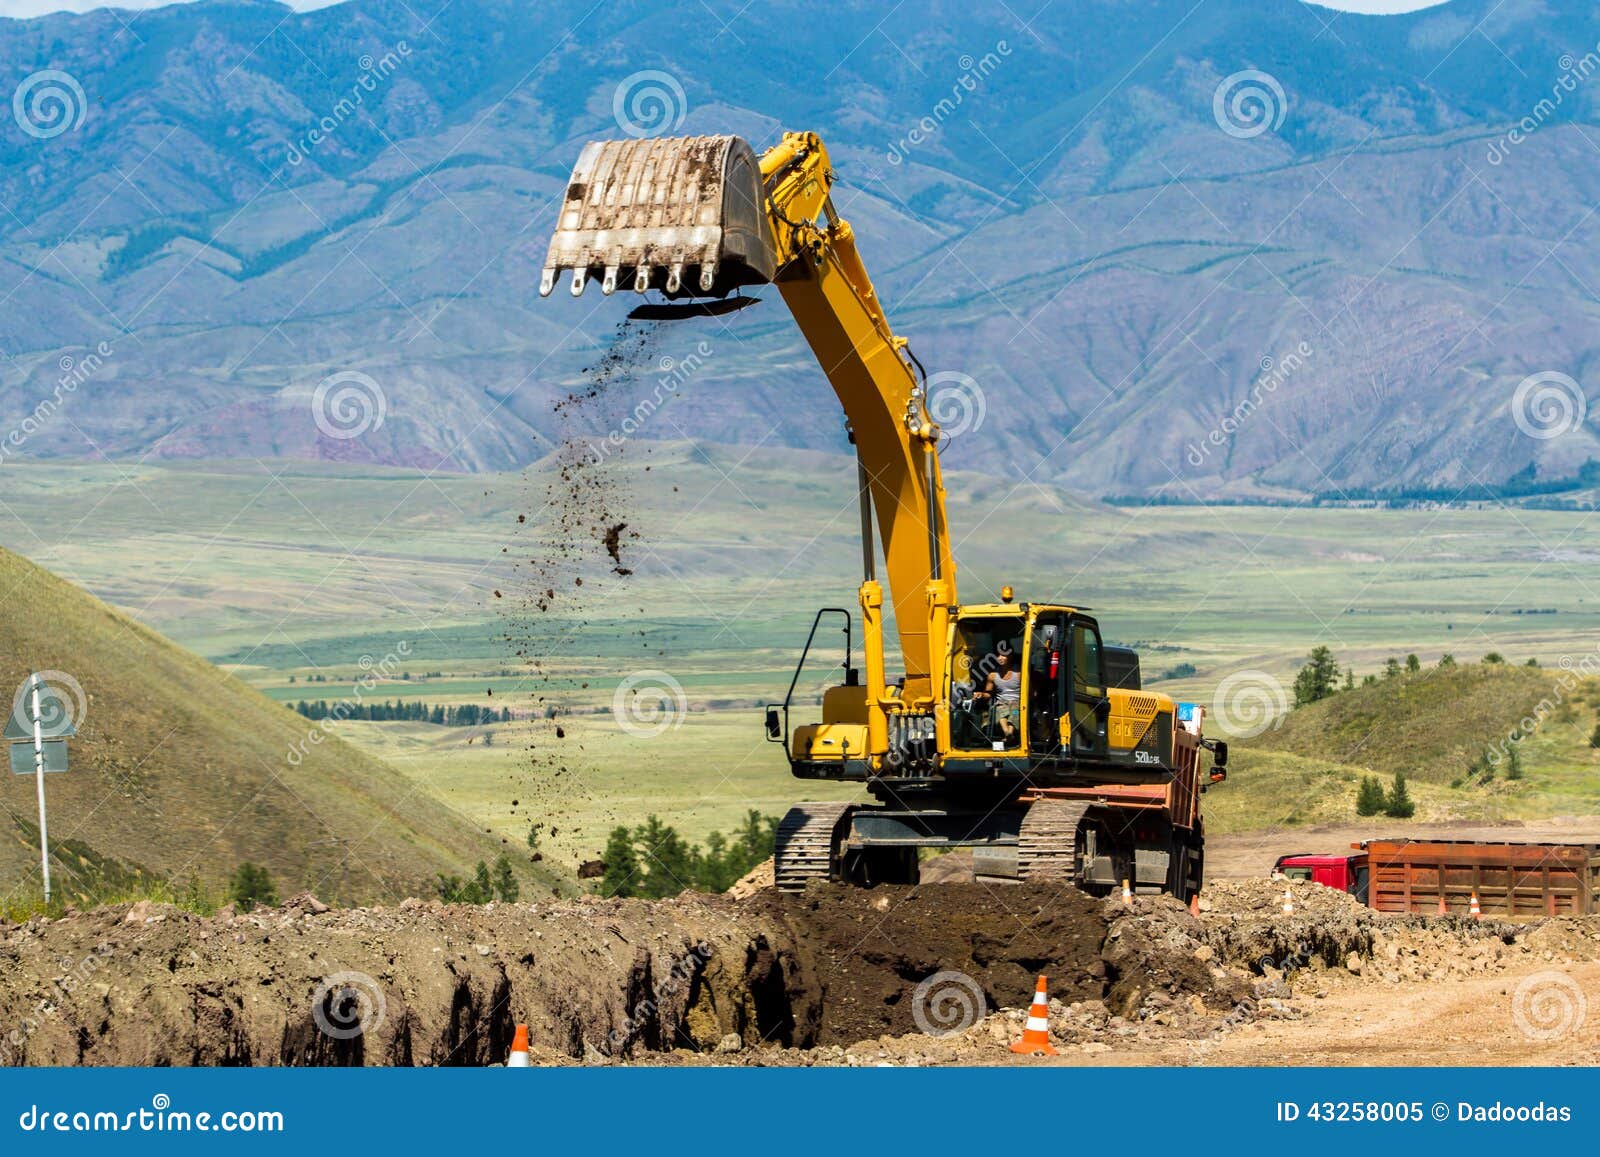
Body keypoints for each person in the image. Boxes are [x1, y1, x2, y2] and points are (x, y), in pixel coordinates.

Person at [976, 648, 1021, 745]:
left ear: (1010, 657)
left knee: (1015, 712)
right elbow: (988, 693)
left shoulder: (1019, 674)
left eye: (1003, 655)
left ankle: (1009, 734)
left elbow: (1030, 691)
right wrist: (981, 694)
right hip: (1002, 702)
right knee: (1000, 710)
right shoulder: (992, 675)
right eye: (998, 656)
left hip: (1018, 703)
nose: (1000, 658)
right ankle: (1007, 733)